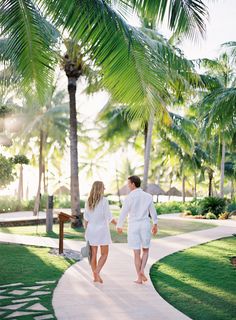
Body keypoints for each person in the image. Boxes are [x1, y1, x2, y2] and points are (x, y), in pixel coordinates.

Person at [117, 175, 158, 284]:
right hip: (144, 225)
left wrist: (119, 225)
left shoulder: (129, 197)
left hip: (133, 226)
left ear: (133, 184)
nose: (127, 185)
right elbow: (152, 212)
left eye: (128, 183)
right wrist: (155, 223)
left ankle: (139, 278)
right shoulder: (148, 196)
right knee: (145, 250)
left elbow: (123, 212)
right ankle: (142, 271)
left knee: (136, 253)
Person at [84, 181, 117, 283]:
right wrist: (118, 224)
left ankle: (95, 276)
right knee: (104, 254)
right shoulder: (104, 201)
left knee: (93, 254)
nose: (105, 189)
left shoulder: (88, 201)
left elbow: (86, 218)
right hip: (102, 231)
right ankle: (97, 272)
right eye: (103, 187)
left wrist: (86, 231)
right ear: (99, 188)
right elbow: (109, 217)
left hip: (91, 230)